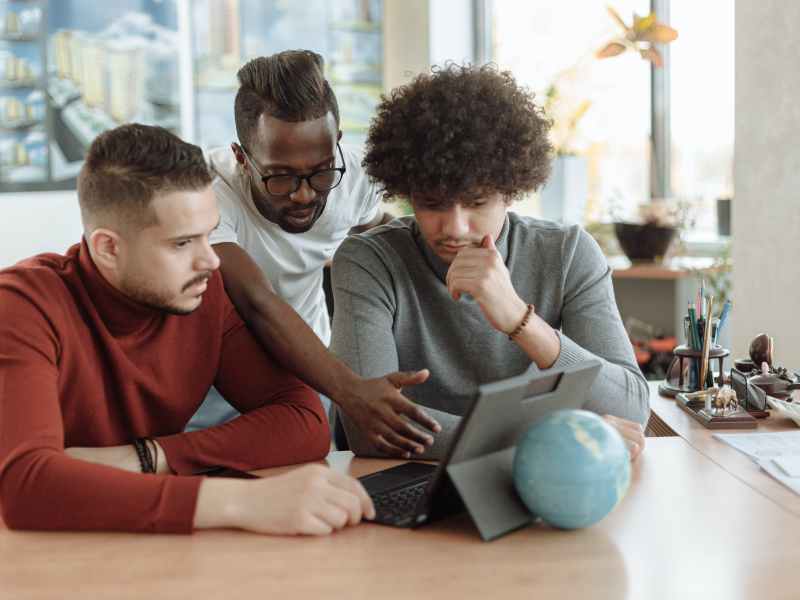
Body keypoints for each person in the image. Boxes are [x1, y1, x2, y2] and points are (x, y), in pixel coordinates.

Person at [0, 124, 373, 535]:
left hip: (138, 544)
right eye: (182, 243)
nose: (211, 261)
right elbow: (25, 487)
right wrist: (239, 502)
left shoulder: (201, 293)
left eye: (208, 235)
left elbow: (302, 420)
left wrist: (148, 456)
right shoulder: (21, 306)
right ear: (109, 247)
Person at [331, 64, 649, 460]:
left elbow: (631, 411)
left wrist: (519, 319)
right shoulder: (369, 261)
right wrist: (552, 438)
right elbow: (368, 430)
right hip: (415, 483)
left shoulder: (567, 253)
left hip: (535, 483)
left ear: (511, 191)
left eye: (477, 202)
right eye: (431, 204)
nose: (454, 227)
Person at [189, 50, 440, 457]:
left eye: (321, 171)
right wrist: (352, 391)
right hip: (214, 387)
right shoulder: (204, 189)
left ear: (337, 144)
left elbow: (379, 226)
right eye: (281, 177)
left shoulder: (352, 175)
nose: (305, 194)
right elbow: (257, 301)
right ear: (242, 158)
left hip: (311, 376)